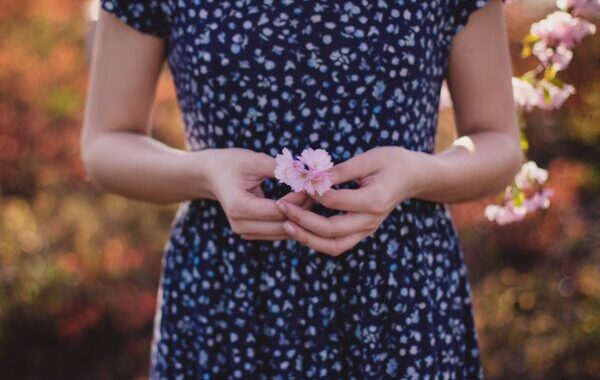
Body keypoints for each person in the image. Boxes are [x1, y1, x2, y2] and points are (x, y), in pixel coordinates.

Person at [81, 0, 521, 378]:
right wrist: (204, 172)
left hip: (398, 292)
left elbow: (498, 142)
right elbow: (105, 144)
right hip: (228, 293)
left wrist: (418, 173)